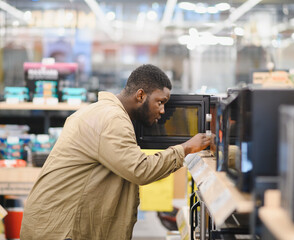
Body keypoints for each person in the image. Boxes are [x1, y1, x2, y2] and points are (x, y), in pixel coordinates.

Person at [20, 64, 211, 240]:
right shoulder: (113, 119)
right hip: (61, 230)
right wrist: (186, 147)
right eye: (160, 102)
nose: (162, 111)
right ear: (141, 95)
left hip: (55, 223)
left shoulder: (105, 111)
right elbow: (140, 170)